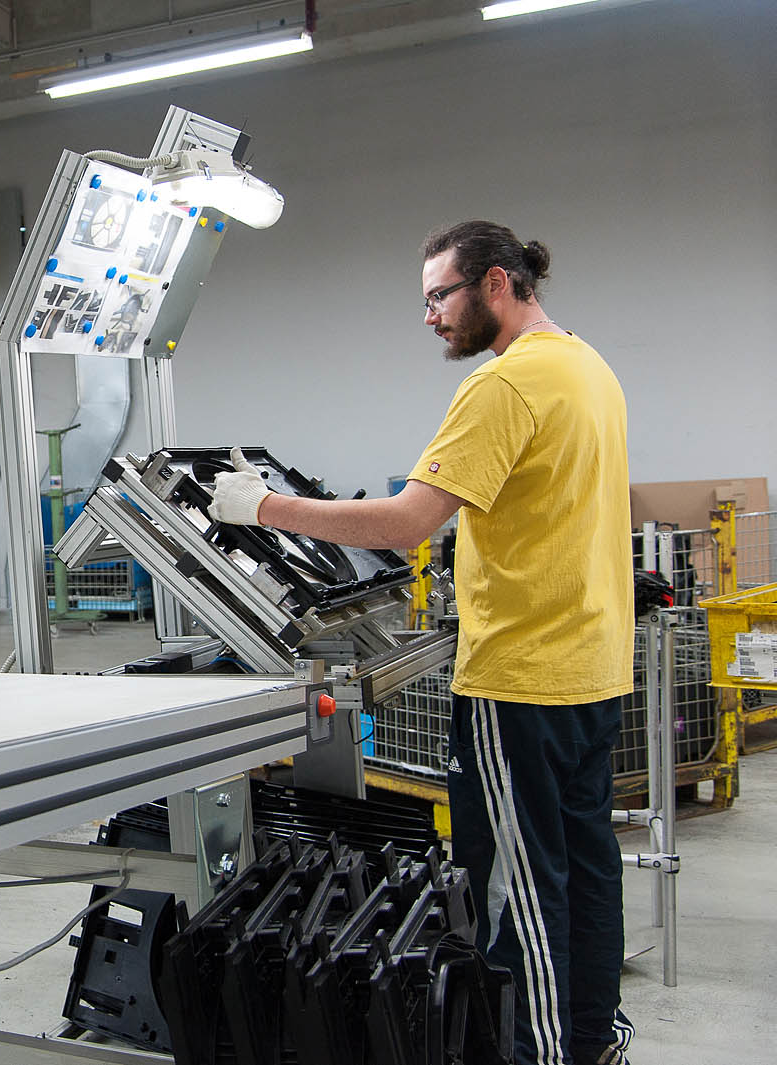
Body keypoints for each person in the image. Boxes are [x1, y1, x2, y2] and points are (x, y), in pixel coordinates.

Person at [211, 220, 633, 1065]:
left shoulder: (504, 384)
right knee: (587, 871)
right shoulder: (588, 366)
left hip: (523, 680)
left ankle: (538, 1055)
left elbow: (408, 522)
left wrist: (263, 508)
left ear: (498, 285)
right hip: (593, 668)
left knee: (516, 888)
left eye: (440, 295)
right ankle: (592, 1037)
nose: (430, 315)